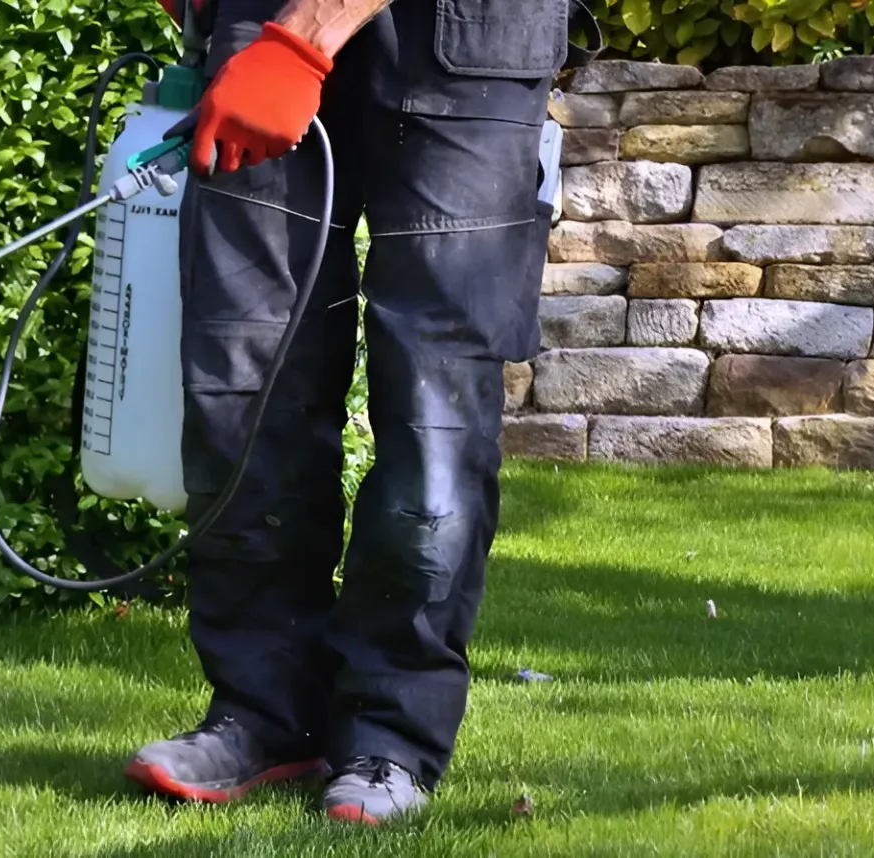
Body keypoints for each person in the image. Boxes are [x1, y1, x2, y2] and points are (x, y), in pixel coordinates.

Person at [122, 0, 582, 824]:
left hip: (469, 41)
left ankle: (390, 736)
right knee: (244, 377)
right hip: (256, 28)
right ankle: (262, 713)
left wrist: (305, 38)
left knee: (433, 406)